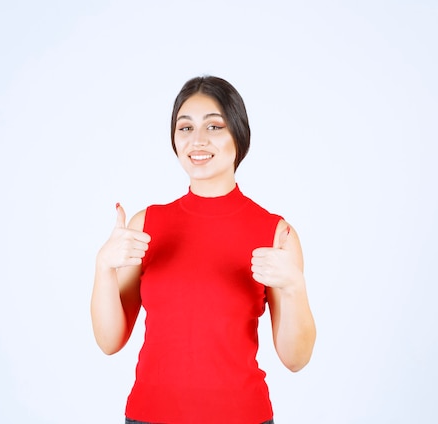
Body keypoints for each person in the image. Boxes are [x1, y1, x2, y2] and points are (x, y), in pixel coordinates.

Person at [91, 75, 316, 424]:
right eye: (185, 128)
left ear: (238, 135)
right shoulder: (145, 224)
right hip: (149, 417)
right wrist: (103, 267)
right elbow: (109, 341)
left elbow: (295, 359)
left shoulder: (276, 234)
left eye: (214, 126)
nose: (197, 140)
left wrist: (294, 286)